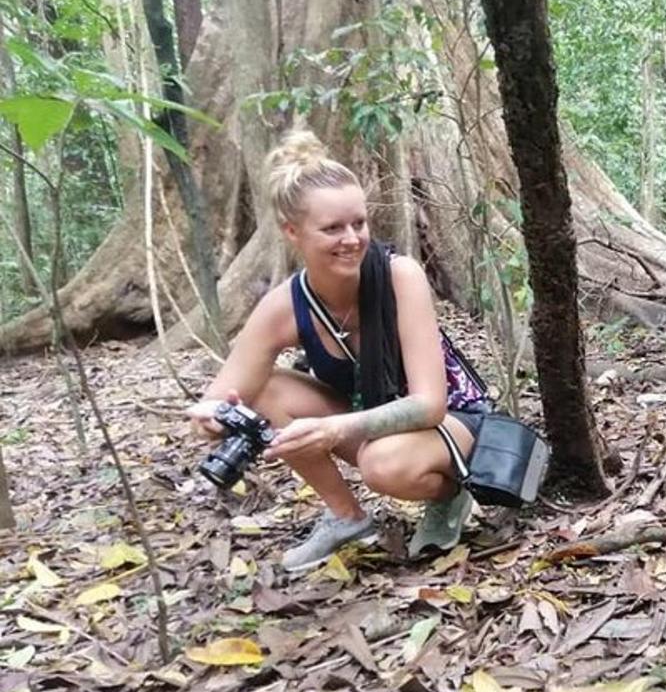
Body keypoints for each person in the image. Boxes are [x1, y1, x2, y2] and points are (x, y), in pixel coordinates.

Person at [187, 130, 488, 571]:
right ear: (293, 232)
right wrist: (212, 420)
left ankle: (448, 497)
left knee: (382, 464)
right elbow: (223, 395)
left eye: (359, 224)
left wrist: (334, 430)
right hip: (371, 420)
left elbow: (430, 404)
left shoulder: (399, 276)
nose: (352, 238)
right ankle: (346, 517)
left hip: (455, 424)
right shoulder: (284, 307)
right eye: (332, 228)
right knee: (265, 390)